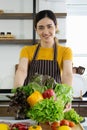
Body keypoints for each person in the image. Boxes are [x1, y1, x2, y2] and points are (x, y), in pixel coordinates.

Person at [14, 10, 73, 88]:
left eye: (49, 26)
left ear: (56, 27)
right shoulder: (26, 50)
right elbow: (22, 71)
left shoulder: (65, 51)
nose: (45, 32)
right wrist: (17, 90)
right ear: (36, 29)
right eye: (41, 28)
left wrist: (66, 96)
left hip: (54, 99)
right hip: (32, 98)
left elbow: (67, 74)